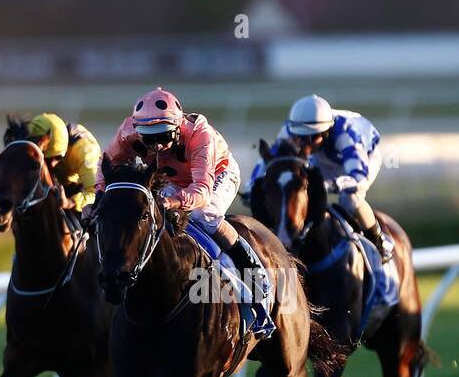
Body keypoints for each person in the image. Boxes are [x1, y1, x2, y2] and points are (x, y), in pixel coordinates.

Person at [96, 87, 273, 337]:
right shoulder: (128, 133)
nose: (157, 146)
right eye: (149, 139)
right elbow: (105, 166)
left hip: (216, 174)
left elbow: (201, 191)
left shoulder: (200, 135)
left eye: (163, 136)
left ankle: (252, 270)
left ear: (178, 128)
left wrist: (173, 202)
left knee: (204, 216)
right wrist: (99, 197)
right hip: (171, 181)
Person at [250, 94, 391, 262]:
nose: (302, 144)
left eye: (309, 137)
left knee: (350, 198)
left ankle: (378, 241)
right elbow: (269, 162)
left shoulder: (344, 134)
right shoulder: (290, 131)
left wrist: (333, 184)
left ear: (326, 133)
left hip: (364, 158)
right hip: (323, 157)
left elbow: (358, 177)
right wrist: (251, 184)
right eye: (298, 137)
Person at [18, 112, 100, 212]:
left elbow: (97, 194)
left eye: (57, 158)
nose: (52, 165)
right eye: (47, 159)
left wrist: (70, 203)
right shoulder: (28, 145)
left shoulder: (84, 150)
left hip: (78, 188)